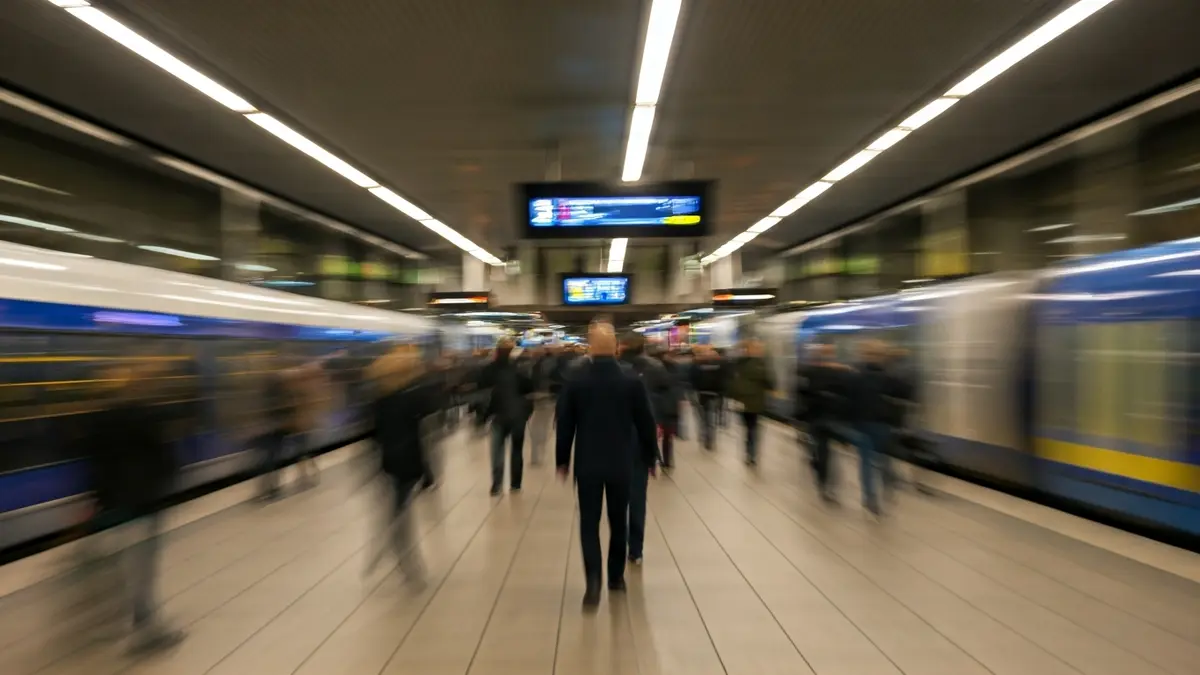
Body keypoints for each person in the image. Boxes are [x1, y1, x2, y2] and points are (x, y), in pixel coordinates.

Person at [557, 322, 658, 609]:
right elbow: (646, 423)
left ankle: (592, 585)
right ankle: (616, 578)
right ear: (615, 348)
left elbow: (565, 424)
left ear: (589, 347)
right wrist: (650, 458)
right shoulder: (631, 380)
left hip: (588, 464)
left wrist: (562, 460)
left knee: (589, 524)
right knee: (618, 521)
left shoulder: (576, 380)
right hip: (621, 463)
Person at [87, 363, 185, 654]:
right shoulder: (149, 416)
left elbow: (95, 464)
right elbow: (166, 459)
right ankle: (147, 631)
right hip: (144, 503)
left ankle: (127, 623)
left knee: (126, 566)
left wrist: (98, 501)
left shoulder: (102, 418)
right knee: (143, 569)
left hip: (114, 505)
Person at [364, 347, 434, 586]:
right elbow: (418, 437)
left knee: (396, 513)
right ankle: (406, 564)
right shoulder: (410, 399)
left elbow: (374, 436)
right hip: (408, 465)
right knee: (400, 518)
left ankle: (385, 555)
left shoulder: (379, 401)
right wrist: (427, 472)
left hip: (388, 464)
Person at [618, 332, 671, 565]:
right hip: (643, 439)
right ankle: (636, 549)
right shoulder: (656, 367)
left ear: (623, 346)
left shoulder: (616, 370)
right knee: (637, 496)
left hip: (615, 440)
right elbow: (665, 398)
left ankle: (619, 545)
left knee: (615, 498)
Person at [848, 340, 898, 517]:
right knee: (883, 459)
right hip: (882, 424)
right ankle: (886, 487)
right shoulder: (888, 377)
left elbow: (849, 401)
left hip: (862, 424)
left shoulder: (856, 376)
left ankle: (870, 497)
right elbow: (901, 395)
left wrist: (850, 422)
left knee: (866, 462)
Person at [796, 342, 850, 504]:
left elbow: (802, 393)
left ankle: (822, 481)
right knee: (831, 454)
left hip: (815, 418)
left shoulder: (809, 372)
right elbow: (845, 395)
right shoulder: (840, 373)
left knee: (821, 450)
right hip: (831, 418)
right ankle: (829, 487)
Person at [480, 337, 534, 495]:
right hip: (518, 417)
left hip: (498, 416)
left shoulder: (489, 369)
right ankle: (515, 484)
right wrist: (527, 412)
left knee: (497, 451)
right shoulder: (519, 369)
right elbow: (529, 389)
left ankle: (497, 484)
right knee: (517, 450)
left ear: (497, 351)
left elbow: (485, 393)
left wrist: (483, 416)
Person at [730, 338, 774, 466]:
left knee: (749, 429)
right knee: (753, 429)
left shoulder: (739, 364)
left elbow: (734, 383)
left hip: (743, 402)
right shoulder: (759, 364)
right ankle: (751, 454)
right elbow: (768, 380)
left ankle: (749, 452)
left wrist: (734, 397)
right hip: (755, 402)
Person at [691, 346, 725, 451]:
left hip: (705, 395)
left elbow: (694, 380)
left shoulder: (699, 366)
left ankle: (706, 438)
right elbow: (721, 381)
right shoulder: (718, 367)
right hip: (709, 395)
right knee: (708, 419)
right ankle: (708, 439)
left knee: (705, 418)